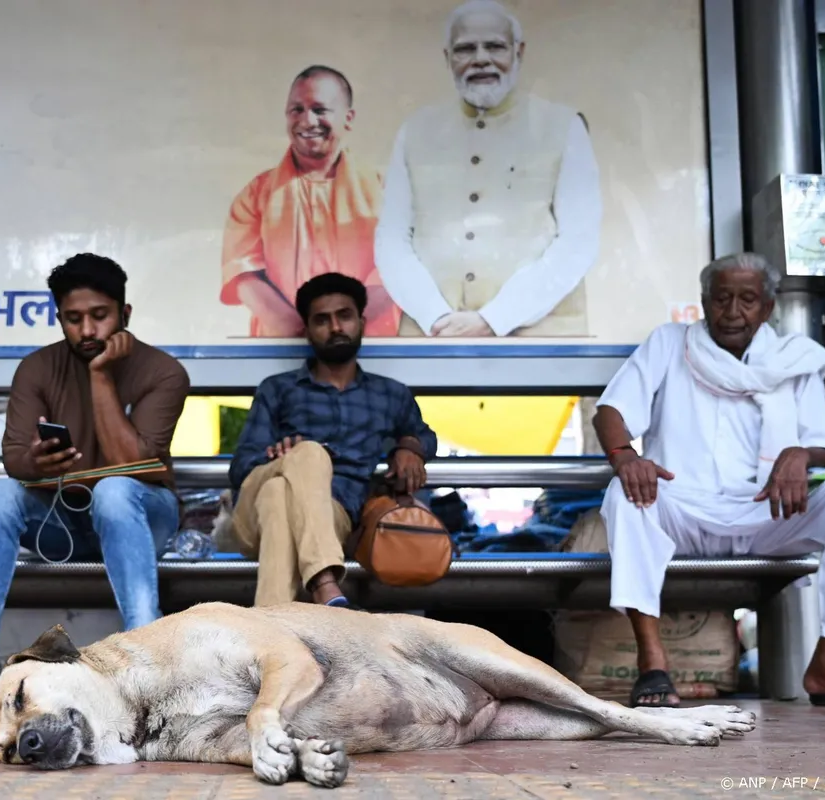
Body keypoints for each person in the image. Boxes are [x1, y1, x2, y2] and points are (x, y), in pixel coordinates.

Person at [593, 252, 825, 710]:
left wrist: (799, 454)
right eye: (722, 298)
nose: (733, 311)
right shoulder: (670, 344)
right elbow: (611, 409)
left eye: (747, 300)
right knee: (623, 492)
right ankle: (653, 664)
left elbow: (822, 445)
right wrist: (626, 456)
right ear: (704, 302)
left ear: (767, 308)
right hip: (684, 512)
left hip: (768, 515)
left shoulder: (793, 360)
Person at [0, 253, 190, 707]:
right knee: (0, 493)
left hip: (143, 518)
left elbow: (132, 465)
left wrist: (101, 376)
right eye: (73, 319)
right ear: (58, 318)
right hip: (63, 522)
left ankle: (149, 655)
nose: (87, 331)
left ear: (124, 315)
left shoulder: (164, 372)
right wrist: (36, 462)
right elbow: (14, 462)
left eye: (100, 317)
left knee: (114, 490)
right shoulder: (37, 368)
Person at [374, 0, 601, 338]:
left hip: (541, 345)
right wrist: (435, 316)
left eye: (494, 46)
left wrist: (495, 318)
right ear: (448, 58)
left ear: (518, 52)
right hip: (432, 339)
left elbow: (578, 242)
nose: (480, 59)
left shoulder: (563, 127)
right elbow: (391, 241)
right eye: (466, 49)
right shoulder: (416, 131)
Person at [228, 272, 437, 607]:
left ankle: (269, 626)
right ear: (307, 330)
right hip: (253, 518)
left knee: (278, 494)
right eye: (322, 320)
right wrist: (280, 457)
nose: (335, 327)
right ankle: (324, 580)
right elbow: (240, 469)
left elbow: (425, 434)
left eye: (344, 316)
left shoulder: (390, 394)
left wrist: (410, 447)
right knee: (305, 456)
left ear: (361, 322)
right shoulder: (279, 389)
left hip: (335, 513)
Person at [220, 65, 400, 338]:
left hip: (371, 344)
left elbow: (396, 268)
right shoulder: (256, 195)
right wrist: (301, 332)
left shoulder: (384, 191)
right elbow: (244, 277)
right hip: (282, 349)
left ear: (348, 118)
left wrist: (345, 330)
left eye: (319, 109)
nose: (307, 121)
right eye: (297, 110)